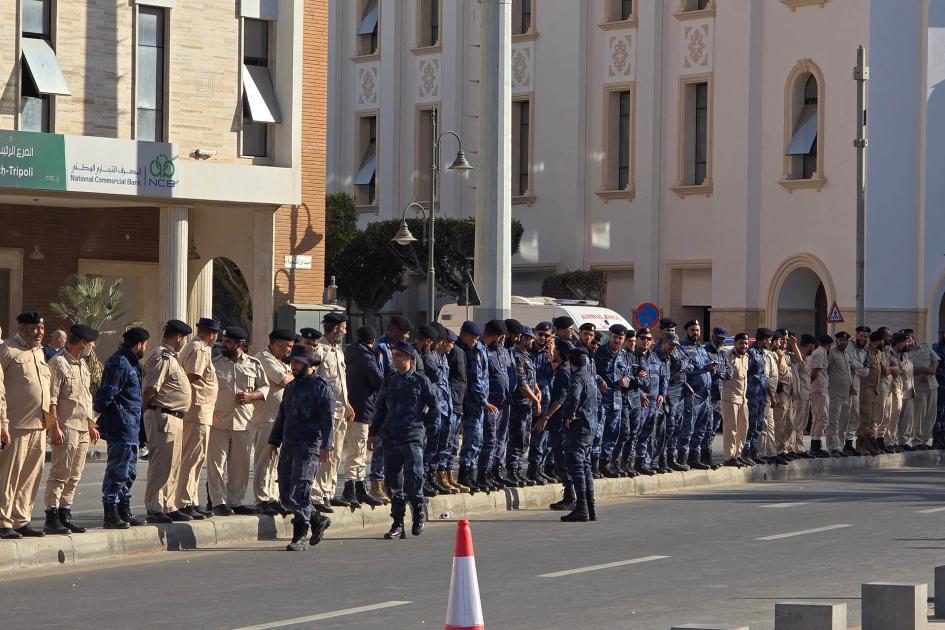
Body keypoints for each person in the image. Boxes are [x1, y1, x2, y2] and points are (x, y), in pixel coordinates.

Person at [267, 344, 334, 552]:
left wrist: (326, 446)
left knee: (300, 491)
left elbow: (328, 421)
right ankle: (317, 519)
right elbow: (282, 415)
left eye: (298, 362)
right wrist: (274, 440)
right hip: (289, 444)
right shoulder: (292, 387)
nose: (293, 366)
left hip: (309, 446)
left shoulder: (322, 388)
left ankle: (300, 535)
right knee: (286, 493)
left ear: (308, 364)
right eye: (292, 362)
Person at [370, 341, 438, 539]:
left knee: (413, 479)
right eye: (393, 354)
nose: (394, 358)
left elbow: (434, 407)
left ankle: (418, 512)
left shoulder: (421, 381)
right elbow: (380, 409)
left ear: (409, 358)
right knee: (393, 483)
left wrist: (427, 428)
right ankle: (397, 523)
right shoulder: (389, 380)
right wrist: (373, 433)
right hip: (391, 436)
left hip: (412, 437)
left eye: (399, 355)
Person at [42, 324, 100, 535]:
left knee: (74, 474)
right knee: (60, 473)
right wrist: (54, 427)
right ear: (82, 343)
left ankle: (65, 514)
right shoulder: (58, 363)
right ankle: (52, 516)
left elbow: (85, 398)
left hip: (82, 428)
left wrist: (91, 425)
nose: (92, 347)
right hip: (66, 428)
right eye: (91, 343)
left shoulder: (82, 365)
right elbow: (52, 399)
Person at [0, 312, 51, 538]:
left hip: (38, 425)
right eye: (34, 328)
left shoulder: (39, 352)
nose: (39, 332)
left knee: (30, 476)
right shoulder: (7, 350)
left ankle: (21, 519)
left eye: (41, 328)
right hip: (15, 425)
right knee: (8, 475)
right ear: (22, 329)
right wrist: (2, 422)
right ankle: (3, 520)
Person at [208, 326, 268, 516]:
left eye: (228, 342)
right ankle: (218, 502)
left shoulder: (254, 364)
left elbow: (265, 387)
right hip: (218, 422)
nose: (223, 344)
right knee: (216, 465)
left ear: (239, 344)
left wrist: (252, 396)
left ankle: (235, 501)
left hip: (243, 422)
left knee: (240, 466)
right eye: (224, 340)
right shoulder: (214, 364)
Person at [94, 327, 150, 529]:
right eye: (145, 345)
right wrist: (103, 414)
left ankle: (123, 510)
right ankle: (111, 513)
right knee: (117, 471)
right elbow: (107, 394)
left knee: (130, 471)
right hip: (121, 426)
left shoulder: (132, 363)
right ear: (139, 345)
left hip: (132, 427)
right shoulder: (120, 362)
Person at [141, 319, 194, 523]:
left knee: (173, 464)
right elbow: (150, 390)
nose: (185, 342)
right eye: (184, 338)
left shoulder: (171, 358)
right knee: (161, 464)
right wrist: (144, 414)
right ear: (179, 337)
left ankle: (168, 505)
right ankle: (155, 507)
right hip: (162, 415)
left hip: (175, 417)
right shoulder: (161, 357)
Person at [176, 317, 221, 520]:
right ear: (211, 334)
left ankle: (191, 500)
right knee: (193, 457)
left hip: (200, 410)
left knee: (195, 457)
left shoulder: (195, 347)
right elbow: (192, 377)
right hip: (197, 410)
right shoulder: (199, 349)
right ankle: (185, 501)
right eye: (216, 334)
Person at [312, 313, 356, 512]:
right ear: (336, 328)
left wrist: (347, 404)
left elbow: (340, 383)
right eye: (344, 328)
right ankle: (317, 495)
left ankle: (328, 492)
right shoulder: (319, 351)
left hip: (340, 410)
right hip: (325, 411)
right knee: (324, 454)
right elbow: (315, 381)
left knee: (336, 454)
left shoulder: (338, 351)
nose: (345, 331)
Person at [368, 315, 413, 502]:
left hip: (399, 406)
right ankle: (376, 484)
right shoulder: (381, 348)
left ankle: (390, 483)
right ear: (393, 330)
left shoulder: (402, 348)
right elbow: (379, 378)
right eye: (404, 333)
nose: (407, 337)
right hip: (384, 405)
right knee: (380, 445)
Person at [340, 325, 385, 508]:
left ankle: (360, 488)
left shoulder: (348, 354)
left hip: (351, 408)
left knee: (358, 451)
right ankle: (350, 490)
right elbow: (379, 382)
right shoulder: (367, 359)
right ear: (372, 341)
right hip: (362, 409)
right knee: (357, 451)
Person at [252, 329, 296, 515]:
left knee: (276, 461)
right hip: (266, 418)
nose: (290, 350)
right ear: (277, 344)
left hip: (280, 418)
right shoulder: (264, 358)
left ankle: (272, 497)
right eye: (288, 346)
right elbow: (286, 380)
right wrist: (297, 377)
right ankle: (262, 499)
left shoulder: (281, 360)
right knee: (264, 459)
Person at [560, 347, 599, 523]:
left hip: (579, 426)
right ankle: (590, 508)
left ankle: (582, 508)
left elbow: (574, 397)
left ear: (571, 362)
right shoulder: (589, 376)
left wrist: (569, 416)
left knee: (576, 466)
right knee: (585, 466)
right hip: (590, 424)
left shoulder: (577, 378)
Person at [458, 320, 493, 492]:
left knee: (477, 439)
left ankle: (469, 473)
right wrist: (483, 401)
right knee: (472, 439)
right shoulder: (468, 351)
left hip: (478, 401)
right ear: (465, 336)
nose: (475, 341)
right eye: (473, 338)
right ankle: (465, 474)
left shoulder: (477, 348)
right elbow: (475, 379)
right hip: (472, 401)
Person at [595, 324, 630, 478]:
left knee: (613, 432)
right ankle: (594, 464)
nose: (617, 340)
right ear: (609, 336)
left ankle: (605, 463)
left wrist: (626, 380)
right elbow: (591, 370)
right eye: (615, 337)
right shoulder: (599, 351)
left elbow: (628, 373)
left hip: (617, 398)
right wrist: (599, 380)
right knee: (598, 432)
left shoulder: (625, 355)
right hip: (601, 398)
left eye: (620, 338)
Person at [478, 320, 510, 491]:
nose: (503, 339)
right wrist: (485, 401)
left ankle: (491, 472)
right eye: (501, 336)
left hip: (503, 403)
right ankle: (482, 474)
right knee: (489, 441)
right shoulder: (482, 350)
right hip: (489, 404)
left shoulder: (503, 352)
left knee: (498, 440)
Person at [438, 328, 469, 493]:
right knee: (445, 442)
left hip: (457, 402)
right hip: (449, 402)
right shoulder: (451, 353)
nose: (452, 345)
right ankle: (441, 475)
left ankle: (449, 475)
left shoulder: (458, 352)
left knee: (453, 443)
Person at [680, 320, 713, 470]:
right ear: (687, 331)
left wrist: (711, 368)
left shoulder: (702, 348)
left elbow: (706, 367)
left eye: (698, 330)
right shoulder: (683, 348)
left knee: (701, 429)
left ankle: (695, 458)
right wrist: (705, 369)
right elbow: (685, 371)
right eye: (693, 330)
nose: (696, 333)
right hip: (693, 394)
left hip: (706, 395)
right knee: (688, 428)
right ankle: (682, 458)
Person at [511, 328, 542, 484]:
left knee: (524, 439)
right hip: (519, 404)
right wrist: (536, 401)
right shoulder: (517, 357)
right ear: (523, 338)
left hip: (527, 405)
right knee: (517, 439)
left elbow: (531, 379)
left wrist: (537, 390)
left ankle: (517, 469)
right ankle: (512, 470)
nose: (532, 341)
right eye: (530, 338)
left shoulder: (526, 356)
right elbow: (522, 385)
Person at [634, 328, 667, 475]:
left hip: (654, 402)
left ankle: (643, 463)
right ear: (637, 339)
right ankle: (631, 462)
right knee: (636, 433)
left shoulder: (655, 357)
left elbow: (663, 377)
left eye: (648, 339)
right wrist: (640, 393)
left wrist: (662, 394)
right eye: (643, 338)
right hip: (639, 402)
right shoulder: (632, 357)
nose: (646, 341)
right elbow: (629, 378)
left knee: (648, 433)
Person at [527, 321, 557, 482]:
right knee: (523, 438)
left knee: (542, 438)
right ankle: (520, 469)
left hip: (546, 402)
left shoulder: (552, 354)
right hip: (529, 400)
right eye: (540, 334)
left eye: (547, 335)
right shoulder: (528, 351)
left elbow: (557, 371)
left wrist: (551, 354)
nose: (543, 338)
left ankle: (537, 468)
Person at [721, 333, 751, 467]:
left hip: (743, 398)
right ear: (735, 344)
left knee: (743, 428)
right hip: (730, 397)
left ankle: (738, 454)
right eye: (741, 343)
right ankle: (729, 457)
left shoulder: (746, 357)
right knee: (731, 429)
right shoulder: (728, 356)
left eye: (746, 343)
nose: (744, 346)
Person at [744, 329, 772, 464]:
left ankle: (754, 451)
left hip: (761, 393)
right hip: (752, 393)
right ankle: (746, 451)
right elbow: (745, 372)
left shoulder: (761, 352)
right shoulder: (751, 352)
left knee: (758, 423)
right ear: (764, 340)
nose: (770, 342)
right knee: (751, 423)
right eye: (769, 339)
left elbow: (763, 375)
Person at [857, 331, 887, 455]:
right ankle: (860, 444)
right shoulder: (865, 352)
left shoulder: (878, 353)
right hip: (865, 389)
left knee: (871, 419)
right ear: (878, 341)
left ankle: (868, 444)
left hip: (875, 389)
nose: (883, 343)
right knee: (865, 417)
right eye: (882, 341)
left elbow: (883, 371)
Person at [842, 326, 872, 455]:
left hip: (856, 383)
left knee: (855, 414)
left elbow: (866, 372)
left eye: (865, 337)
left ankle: (849, 443)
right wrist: (858, 365)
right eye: (861, 336)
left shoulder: (865, 352)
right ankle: (838, 444)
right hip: (844, 382)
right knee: (843, 414)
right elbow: (848, 361)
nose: (863, 339)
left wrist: (855, 365)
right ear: (856, 335)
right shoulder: (849, 346)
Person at [908, 331, 939, 449]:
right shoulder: (904, 354)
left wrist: (932, 369)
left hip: (932, 384)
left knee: (931, 414)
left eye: (909, 338)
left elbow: (936, 360)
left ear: (913, 338)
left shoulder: (925, 347)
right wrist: (924, 369)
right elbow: (908, 370)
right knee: (919, 414)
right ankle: (917, 441)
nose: (907, 341)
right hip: (918, 386)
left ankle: (925, 440)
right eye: (905, 340)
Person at [826, 332, 854, 457]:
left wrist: (851, 386)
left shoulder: (847, 354)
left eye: (845, 340)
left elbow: (848, 372)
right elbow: (825, 370)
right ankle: (832, 447)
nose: (843, 342)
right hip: (834, 393)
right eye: (841, 340)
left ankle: (840, 446)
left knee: (843, 423)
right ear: (836, 341)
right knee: (833, 422)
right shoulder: (832, 353)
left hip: (847, 394)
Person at [808, 334, 832, 458]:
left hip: (818, 389)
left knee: (817, 418)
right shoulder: (820, 353)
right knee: (822, 418)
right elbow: (815, 371)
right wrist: (809, 385)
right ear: (829, 345)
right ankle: (816, 446)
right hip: (819, 389)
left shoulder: (817, 352)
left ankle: (815, 444)